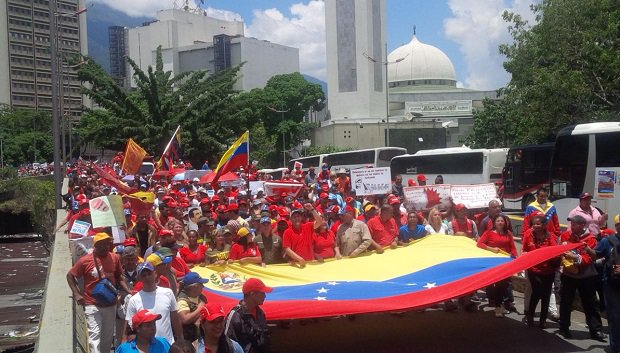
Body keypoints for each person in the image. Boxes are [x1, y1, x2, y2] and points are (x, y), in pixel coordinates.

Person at [67, 232, 130, 353]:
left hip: (110, 303)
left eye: (108, 243)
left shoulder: (114, 257)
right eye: (103, 244)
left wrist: (127, 290)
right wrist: (76, 293)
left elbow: (119, 276)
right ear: (96, 245)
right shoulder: (84, 261)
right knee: (94, 335)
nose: (106, 246)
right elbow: (70, 276)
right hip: (92, 303)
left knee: (107, 336)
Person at [558, 215, 606, 341]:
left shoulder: (591, 239)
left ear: (582, 225)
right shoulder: (565, 236)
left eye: (574, 224)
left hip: (587, 276)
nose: (571, 226)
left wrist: (574, 257)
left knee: (591, 303)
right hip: (569, 274)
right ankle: (563, 327)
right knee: (566, 302)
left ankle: (596, 330)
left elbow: (589, 259)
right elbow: (559, 250)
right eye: (571, 224)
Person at [124, 262, 183, 344]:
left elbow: (175, 319)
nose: (147, 277)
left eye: (149, 273)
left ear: (155, 274)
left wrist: (181, 340)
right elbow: (129, 327)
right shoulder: (134, 300)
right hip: (145, 347)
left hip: (167, 345)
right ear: (139, 278)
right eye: (143, 275)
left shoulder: (168, 293)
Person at [521, 212, 560, 328]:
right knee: (536, 292)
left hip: (548, 271)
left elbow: (555, 252)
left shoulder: (551, 237)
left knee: (546, 294)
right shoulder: (528, 235)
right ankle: (530, 316)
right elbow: (524, 250)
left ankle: (543, 320)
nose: (535, 226)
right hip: (534, 270)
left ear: (544, 225)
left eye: (537, 224)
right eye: (533, 224)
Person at [477, 215, 517, 318]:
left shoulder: (508, 233)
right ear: (494, 223)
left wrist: (515, 258)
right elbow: (480, 244)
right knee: (499, 285)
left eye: (502, 221)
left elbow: (512, 247)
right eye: (498, 221)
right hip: (494, 262)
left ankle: (500, 305)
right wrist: (491, 249)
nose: (500, 222)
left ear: (505, 223)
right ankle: (498, 307)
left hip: (506, 262)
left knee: (504, 285)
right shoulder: (489, 233)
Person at [224, 278, 272, 353]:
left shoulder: (260, 313)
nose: (265, 296)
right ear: (252, 294)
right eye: (262, 293)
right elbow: (227, 344)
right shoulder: (235, 315)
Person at [595, 214, 620, 353]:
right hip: (611, 284)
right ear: (616, 226)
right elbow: (596, 255)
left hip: (612, 283)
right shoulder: (607, 241)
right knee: (614, 317)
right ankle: (616, 346)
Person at [177, 272, 208, 343]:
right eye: (201, 284)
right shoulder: (182, 301)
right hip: (191, 339)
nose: (203, 286)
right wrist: (200, 307)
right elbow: (184, 319)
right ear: (195, 287)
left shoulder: (200, 296)